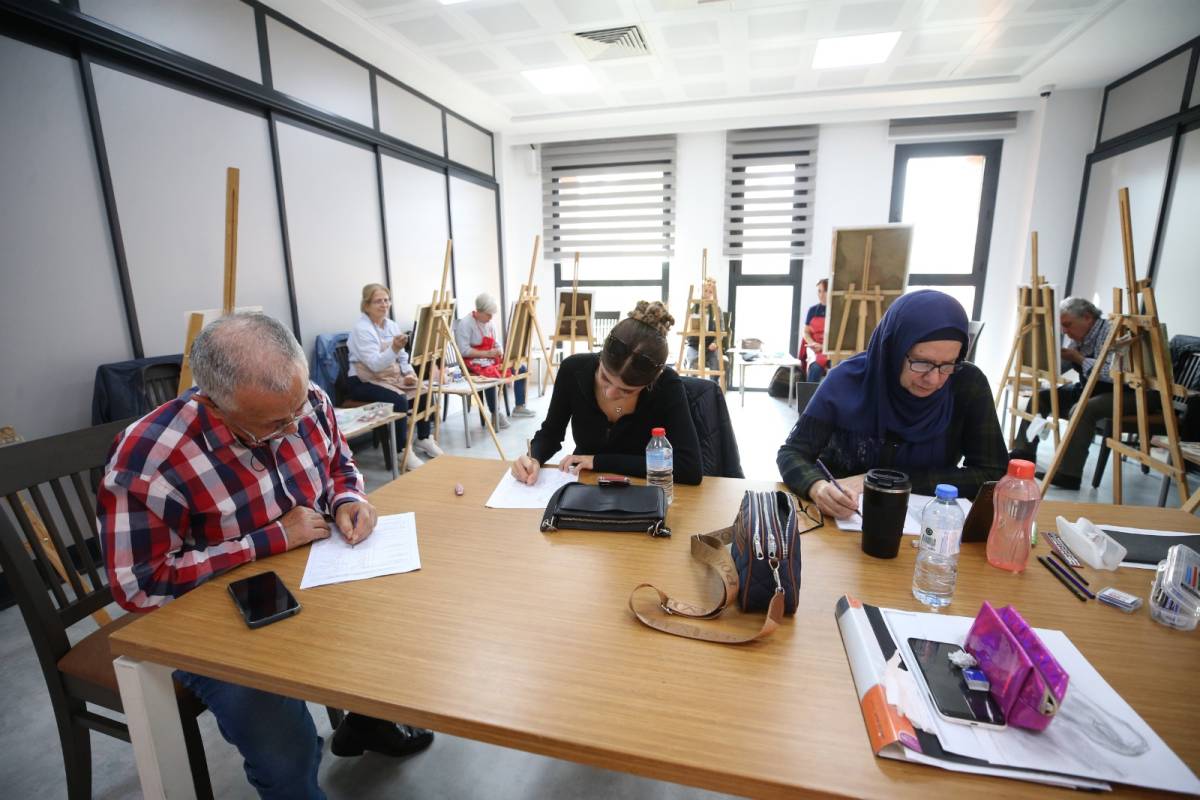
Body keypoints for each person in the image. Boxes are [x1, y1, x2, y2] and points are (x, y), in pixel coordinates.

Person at [99, 313, 433, 800]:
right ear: (213, 404)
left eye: (297, 409)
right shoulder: (149, 459)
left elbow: (339, 463)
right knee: (288, 747)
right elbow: (139, 586)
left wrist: (347, 500)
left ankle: (367, 723)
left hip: (306, 574)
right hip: (211, 617)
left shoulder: (307, 402)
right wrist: (268, 540)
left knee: (392, 629)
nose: (294, 425)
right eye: (274, 425)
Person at [777, 290, 1007, 519]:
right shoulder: (845, 381)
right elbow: (793, 453)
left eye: (948, 364)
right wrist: (818, 488)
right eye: (921, 362)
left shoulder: (966, 385)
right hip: (843, 522)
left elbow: (992, 474)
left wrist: (880, 480)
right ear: (893, 349)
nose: (934, 379)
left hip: (928, 533)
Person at [511, 301, 703, 485]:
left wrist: (598, 462)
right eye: (605, 377)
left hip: (640, 492)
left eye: (626, 390)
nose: (611, 393)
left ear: (651, 381)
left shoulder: (667, 385)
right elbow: (551, 433)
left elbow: (689, 467)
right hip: (585, 486)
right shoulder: (573, 370)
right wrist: (534, 457)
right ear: (601, 356)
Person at [1009, 296, 1154, 490]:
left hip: (1125, 393)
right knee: (1041, 398)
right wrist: (1046, 359)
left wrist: (1078, 358)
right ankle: (1023, 455)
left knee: (1083, 409)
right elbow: (1061, 367)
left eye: (1068, 325)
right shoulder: (1080, 337)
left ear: (1087, 317)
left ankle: (1069, 474)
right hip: (1091, 388)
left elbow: (1114, 374)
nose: (1065, 332)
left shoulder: (1112, 332)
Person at [347, 283, 443, 469]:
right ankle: (401, 451)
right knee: (398, 399)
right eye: (378, 301)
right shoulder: (362, 329)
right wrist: (394, 348)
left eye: (386, 300)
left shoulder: (391, 325)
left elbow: (402, 356)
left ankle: (424, 438)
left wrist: (408, 373)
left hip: (388, 377)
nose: (384, 304)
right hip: (363, 381)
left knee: (423, 389)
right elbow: (374, 365)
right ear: (366, 305)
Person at [453, 293, 535, 430]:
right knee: (489, 377)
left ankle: (519, 406)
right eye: (488, 314)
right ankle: (495, 413)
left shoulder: (489, 323)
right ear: (479, 311)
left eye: (492, 315)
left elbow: (497, 343)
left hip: (489, 358)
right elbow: (463, 351)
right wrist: (486, 353)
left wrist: (499, 350)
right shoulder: (465, 324)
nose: (491, 317)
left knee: (520, 368)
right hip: (471, 362)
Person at [684, 278, 722, 382]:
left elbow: (721, 330)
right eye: (705, 290)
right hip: (694, 345)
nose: (708, 294)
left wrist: (715, 343)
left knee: (715, 363)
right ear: (700, 291)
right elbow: (686, 331)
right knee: (692, 363)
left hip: (710, 346)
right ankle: (692, 389)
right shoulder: (693, 307)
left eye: (710, 292)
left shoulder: (716, 309)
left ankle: (712, 389)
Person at [801, 278, 829, 382]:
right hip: (814, 349)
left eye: (825, 291)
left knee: (839, 368)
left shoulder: (837, 311)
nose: (821, 295)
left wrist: (823, 347)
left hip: (830, 350)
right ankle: (810, 398)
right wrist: (812, 343)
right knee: (815, 368)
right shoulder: (812, 311)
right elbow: (806, 331)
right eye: (819, 291)